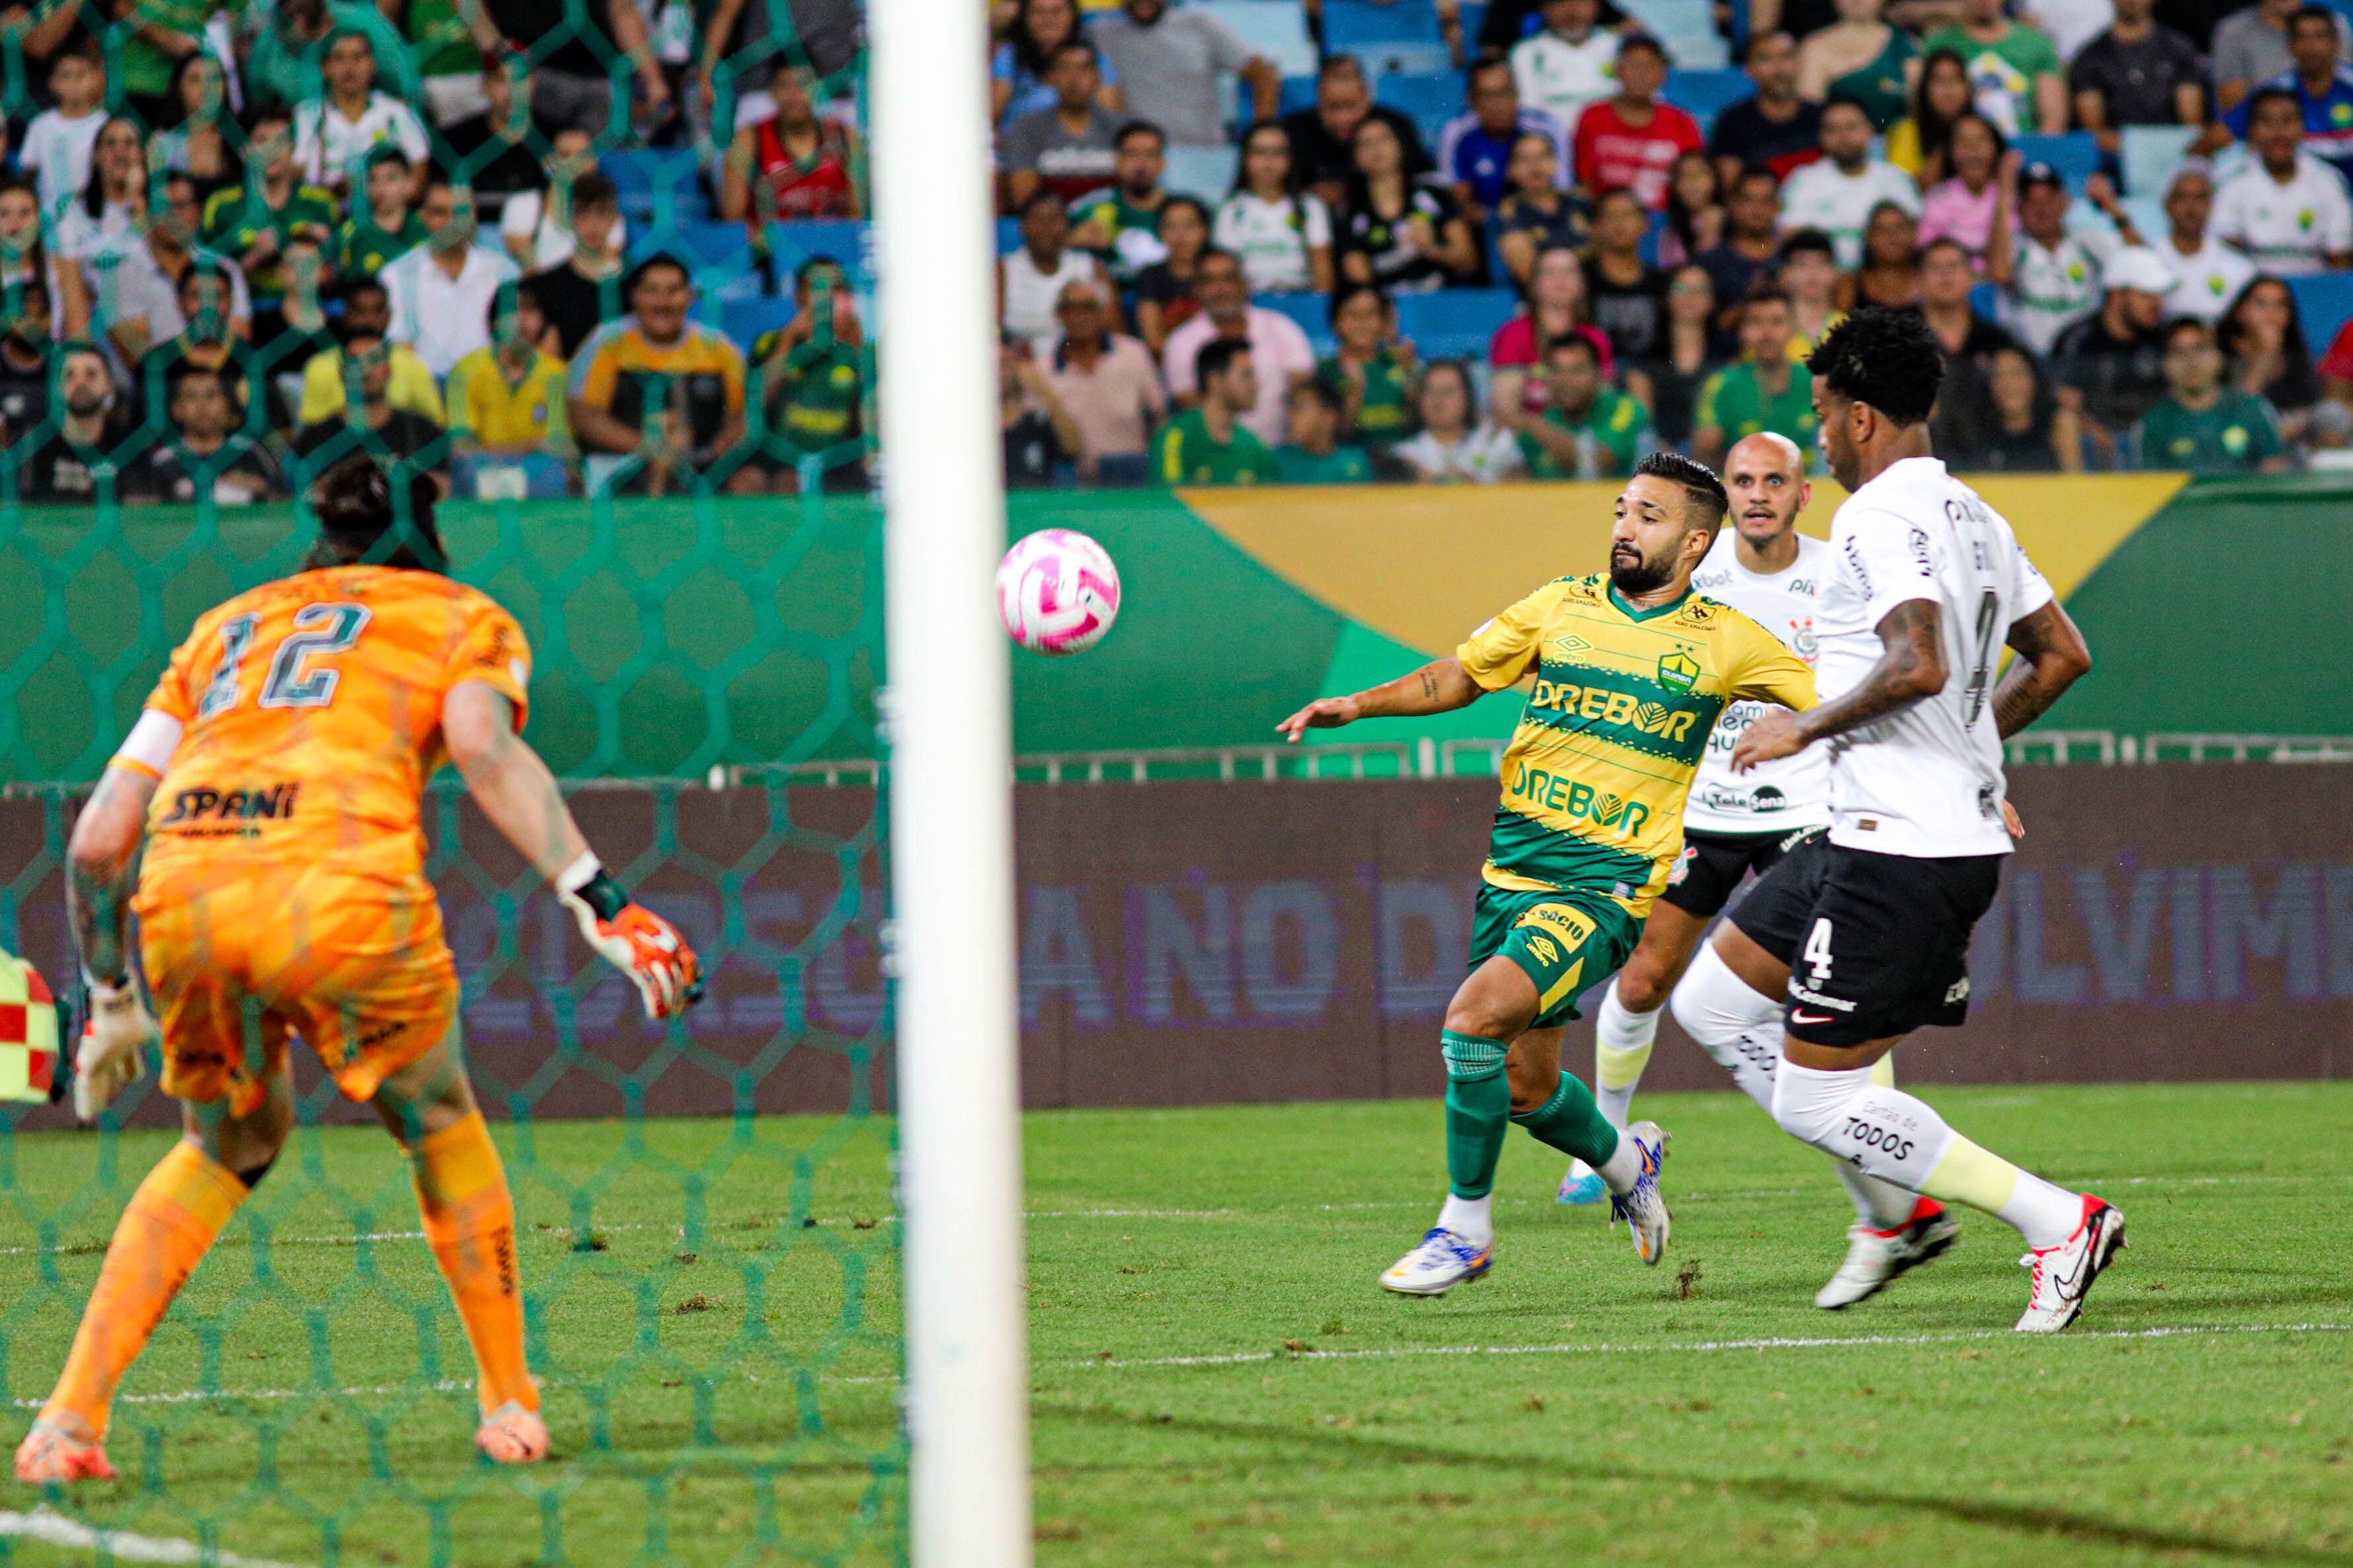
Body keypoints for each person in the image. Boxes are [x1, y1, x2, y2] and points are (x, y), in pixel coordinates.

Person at [15, 450, 703, 1485]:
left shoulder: (225, 628)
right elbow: (480, 743)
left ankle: (67, 1420)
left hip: (188, 887)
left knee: (226, 1139)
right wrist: (598, 896)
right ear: (430, 540)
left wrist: (107, 998)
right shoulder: (458, 616)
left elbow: (100, 836)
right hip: (338, 891)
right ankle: (509, 1403)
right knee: (439, 1122)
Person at [1670, 306, 2116, 1333]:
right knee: (1713, 1004)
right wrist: (1976, 752)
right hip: (1866, 830)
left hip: (1904, 849)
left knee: (1815, 1099)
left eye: (1823, 414)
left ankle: (2059, 1218)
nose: (1818, 436)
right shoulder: (1973, 513)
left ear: (1861, 416)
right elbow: (2060, 654)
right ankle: (1894, 1215)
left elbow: (1917, 660)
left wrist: (1803, 726)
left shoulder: (1875, 518)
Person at [1276, 452, 1816, 1297]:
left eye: (1647, 516)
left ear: (1694, 541)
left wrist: (1952, 779)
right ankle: (1623, 1158)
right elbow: (1459, 674)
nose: (1624, 529)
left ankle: (1464, 1230)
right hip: (1512, 872)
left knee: (1469, 1023)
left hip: (1603, 885)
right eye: (1620, 511)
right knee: (1523, 1085)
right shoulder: (1559, 605)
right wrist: (1358, 704)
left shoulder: (1727, 639)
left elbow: (1845, 703)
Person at [1559, 434, 1923, 1309]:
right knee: (1645, 975)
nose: (1757, 494)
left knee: (1833, 989)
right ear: (1724, 495)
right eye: (1742, 481)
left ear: (1805, 493)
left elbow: (1897, 672)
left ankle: (1876, 1156)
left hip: (1807, 806)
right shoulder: (1692, 564)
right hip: (1700, 808)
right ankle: (1606, 1140)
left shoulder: (1842, 569)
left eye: (1774, 481)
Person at [568, 255, 753, 497]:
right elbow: (584, 416)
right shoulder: (608, 343)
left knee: (750, 482)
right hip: (622, 466)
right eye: (652, 291)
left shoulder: (716, 347)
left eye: (673, 291)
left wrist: (722, 443)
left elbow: (745, 415)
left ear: (690, 296)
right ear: (635, 296)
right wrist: (649, 447)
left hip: (705, 468)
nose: (663, 302)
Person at [200, 107, 339, 348]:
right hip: (246, 310)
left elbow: (339, 274)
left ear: (294, 148)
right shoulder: (222, 205)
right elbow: (204, 282)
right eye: (262, 140)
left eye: (281, 141)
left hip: (309, 309)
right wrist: (253, 258)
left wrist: (321, 254)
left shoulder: (320, 203)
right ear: (245, 149)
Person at [383, 179, 523, 380]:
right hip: (424, 392)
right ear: (425, 217)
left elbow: (514, 346)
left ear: (474, 215)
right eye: (440, 212)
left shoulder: (505, 272)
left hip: (489, 389)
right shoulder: (396, 275)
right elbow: (399, 351)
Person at [1087, 0, 1276, 149]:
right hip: (1144, 160)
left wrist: (1260, 135)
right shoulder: (1103, 33)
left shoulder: (1200, 24)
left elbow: (1263, 74)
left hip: (1204, 152)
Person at [751, 256, 869, 494]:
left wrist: (856, 349)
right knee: (771, 480)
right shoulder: (771, 342)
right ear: (798, 297)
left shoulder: (862, 350)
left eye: (835, 290)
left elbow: (873, 415)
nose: (825, 298)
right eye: (816, 289)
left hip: (839, 455)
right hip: (779, 453)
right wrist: (789, 340)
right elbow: (754, 404)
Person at [2050, 245, 2175, 462]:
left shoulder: (2162, 338)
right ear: (2117, 295)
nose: (2157, 304)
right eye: (2147, 295)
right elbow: (2064, 402)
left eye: (2159, 296)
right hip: (2094, 448)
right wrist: (2100, 434)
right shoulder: (2080, 340)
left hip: (2156, 444)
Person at [2212, 86, 2353, 275]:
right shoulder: (2231, 183)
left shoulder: (2328, 182)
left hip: (2315, 289)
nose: (2278, 133)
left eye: (2287, 121)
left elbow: (2340, 258)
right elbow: (2226, 254)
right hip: (2252, 290)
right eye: (2267, 122)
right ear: (2251, 130)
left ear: (2303, 127)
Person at [2209, 6, 2353, 187]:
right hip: (2297, 204)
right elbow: (2211, 141)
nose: (2312, 47)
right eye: (2303, 38)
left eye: (2320, 37)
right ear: (2291, 46)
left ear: (2335, 42)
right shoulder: (2273, 95)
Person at [2131, 314, 2293, 472]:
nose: (2191, 361)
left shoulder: (2252, 409)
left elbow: (2275, 468)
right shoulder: (2153, 423)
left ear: (2219, 357)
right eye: (2179, 352)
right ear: (2165, 365)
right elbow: (2150, 485)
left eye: (2200, 349)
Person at [1336, 117, 1482, 292]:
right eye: (1366, 144)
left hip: (1442, 302)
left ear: (1401, 145)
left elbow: (1469, 260)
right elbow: (1360, 283)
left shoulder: (1433, 194)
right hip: (1389, 311)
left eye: (1384, 139)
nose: (1376, 148)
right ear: (1355, 158)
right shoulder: (1351, 215)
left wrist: (1431, 249)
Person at [1042, 279, 1166, 485]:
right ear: (1059, 315)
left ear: (1101, 313)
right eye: (1070, 309)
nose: (1079, 316)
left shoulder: (1133, 353)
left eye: (1087, 308)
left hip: (1131, 475)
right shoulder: (1044, 369)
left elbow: (1159, 414)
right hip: (1072, 482)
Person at [1776, 97, 1921, 270]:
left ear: (1870, 131)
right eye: (1833, 129)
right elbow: (1788, 234)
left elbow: (1915, 234)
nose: (1843, 137)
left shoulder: (1897, 179)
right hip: (1821, 279)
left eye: (1852, 127)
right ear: (1821, 136)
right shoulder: (1803, 180)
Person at [446, 282, 571, 481]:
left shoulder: (555, 373)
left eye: (530, 310)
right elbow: (461, 446)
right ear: (494, 321)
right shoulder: (466, 371)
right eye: (512, 311)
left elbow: (559, 446)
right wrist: (532, 445)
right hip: (482, 471)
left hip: (538, 473)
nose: (521, 319)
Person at [294, 331, 450, 487]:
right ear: (341, 374)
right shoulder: (314, 438)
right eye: (356, 361)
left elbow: (440, 489)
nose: (365, 369)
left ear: (389, 371)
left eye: (374, 360)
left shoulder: (423, 432)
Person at [1991, 161, 2116, 354]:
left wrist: (2113, 208)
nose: (2041, 210)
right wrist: (2003, 195)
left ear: (2065, 202)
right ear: (2018, 207)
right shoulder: (2014, 246)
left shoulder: (2088, 241)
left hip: (2088, 359)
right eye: (2031, 202)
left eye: (2049, 200)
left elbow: (2141, 265)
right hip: (2034, 361)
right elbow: (1999, 273)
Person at [1569, 34, 1702, 212]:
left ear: (1663, 74)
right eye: (1632, 65)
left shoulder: (1682, 122)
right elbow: (1584, 182)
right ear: (1617, 70)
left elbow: (1695, 180)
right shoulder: (1592, 117)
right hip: (1605, 220)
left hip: (1666, 225)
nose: (1641, 73)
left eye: (1649, 66)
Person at [1279, 54, 1432, 209]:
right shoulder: (1293, 131)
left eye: (1351, 106)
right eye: (1333, 107)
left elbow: (1429, 180)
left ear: (1367, 97)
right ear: (1319, 99)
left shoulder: (1396, 127)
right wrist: (1308, 194)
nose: (1343, 119)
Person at [292, 30, 431, 198]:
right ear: (325, 68)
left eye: (358, 57)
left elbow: (419, 178)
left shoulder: (397, 113)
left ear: (373, 65)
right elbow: (296, 178)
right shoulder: (305, 116)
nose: (349, 67)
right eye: (339, 58)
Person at [122, 368, 289, 506]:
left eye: (211, 395)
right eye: (191, 397)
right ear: (176, 410)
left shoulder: (252, 454)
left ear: (226, 405)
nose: (203, 406)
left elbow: (283, 503)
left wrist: (262, 489)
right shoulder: (162, 462)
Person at [299, 278, 449, 429]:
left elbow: (434, 424)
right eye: (360, 311)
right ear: (346, 314)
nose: (369, 320)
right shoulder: (320, 367)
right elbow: (313, 428)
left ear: (389, 315)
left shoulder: (412, 365)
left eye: (377, 311)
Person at [1691, 289, 1817, 466]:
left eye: (1777, 322)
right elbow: (1703, 457)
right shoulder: (1722, 385)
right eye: (1756, 323)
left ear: (1793, 328)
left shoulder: (1816, 383)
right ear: (1742, 331)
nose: (1767, 333)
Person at [1439, 58, 1568, 228]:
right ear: (1472, 100)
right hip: (1484, 228)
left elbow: (1563, 188)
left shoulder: (1546, 127)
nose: (1497, 104)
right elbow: (1457, 198)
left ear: (1517, 93)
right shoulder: (1457, 133)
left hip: (1544, 221)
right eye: (1486, 95)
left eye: (1504, 92)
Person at [1491, 242, 1615, 418]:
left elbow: (1604, 405)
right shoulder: (1512, 335)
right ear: (1534, 285)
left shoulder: (1596, 338)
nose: (1560, 279)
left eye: (1569, 272)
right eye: (1550, 272)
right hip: (1526, 437)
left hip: (1582, 435)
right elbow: (1506, 410)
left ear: (1582, 285)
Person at [2069, 0, 2205, 159]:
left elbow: (2192, 122)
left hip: (2174, 153)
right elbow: (2093, 129)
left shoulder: (2180, 50)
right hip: (2117, 158)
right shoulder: (2090, 58)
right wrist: (2141, 152)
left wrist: (2164, 150)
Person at [1000, 41, 1123, 209]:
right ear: (1050, 78)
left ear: (1098, 78)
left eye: (1084, 69)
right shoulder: (1026, 129)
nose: (1074, 79)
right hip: (1050, 229)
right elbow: (1025, 201)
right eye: (1064, 69)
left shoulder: (1123, 129)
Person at [1513, 334, 1656, 477]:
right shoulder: (1544, 420)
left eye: (1577, 371)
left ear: (1598, 374)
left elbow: (1600, 464)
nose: (1566, 381)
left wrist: (1535, 426)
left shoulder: (1625, 409)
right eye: (1557, 371)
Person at [1215, 122, 1334, 294]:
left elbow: (1323, 270)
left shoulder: (1311, 206)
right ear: (1245, 158)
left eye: (1278, 153)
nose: (1268, 161)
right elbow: (1226, 272)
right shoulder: (1230, 210)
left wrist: (1318, 307)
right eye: (1260, 152)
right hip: (1249, 304)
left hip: (1301, 299)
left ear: (1291, 159)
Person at [1922, 0, 2067, 136]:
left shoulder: (2037, 44)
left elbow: (2053, 121)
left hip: (2024, 151)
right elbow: (1928, 114)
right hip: (1959, 154)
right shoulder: (1938, 45)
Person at [521, 174, 626, 361]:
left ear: (615, 218)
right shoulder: (542, 286)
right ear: (567, 219)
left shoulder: (634, 286)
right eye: (582, 212)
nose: (593, 224)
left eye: (602, 212)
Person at [9, 345, 129, 505]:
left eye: (91, 374)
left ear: (109, 385)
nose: (80, 383)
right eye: (69, 375)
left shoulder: (127, 445)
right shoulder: (33, 446)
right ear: (57, 387)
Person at [500, 132, 633, 275]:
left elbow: (608, 260)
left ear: (594, 163)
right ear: (549, 163)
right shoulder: (523, 204)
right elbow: (525, 262)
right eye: (566, 155)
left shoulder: (606, 209)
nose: (575, 163)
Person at [1623, 264, 1721, 449]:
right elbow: (1644, 426)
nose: (1690, 297)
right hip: (1658, 463)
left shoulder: (1726, 359)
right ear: (1667, 298)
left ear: (1712, 301)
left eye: (1700, 290)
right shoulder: (1644, 360)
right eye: (1680, 289)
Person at [1153, 336, 1276, 483]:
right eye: (1246, 375)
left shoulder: (1254, 446)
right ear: (1215, 380)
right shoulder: (1175, 439)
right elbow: (1169, 500)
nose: (1255, 385)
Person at [1709, 32, 1824, 188]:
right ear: (1748, 69)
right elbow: (1732, 190)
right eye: (1766, 59)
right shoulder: (1732, 122)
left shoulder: (1823, 116)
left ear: (1799, 63)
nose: (1779, 68)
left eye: (1786, 57)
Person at [1317, 283, 1419, 452]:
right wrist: (1356, 390)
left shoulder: (1401, 364)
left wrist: (1411, 378)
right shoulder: (1325, 372)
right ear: (1335, 323)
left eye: (1370, 314)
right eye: (1352, 315)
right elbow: (1333, 439)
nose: (1362, 322)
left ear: (1383, 322)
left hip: (1402, 464)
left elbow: (1420, 429)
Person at [1942, 342, 2078, 469]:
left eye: (2017, 374)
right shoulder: (1972, 432)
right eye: (1999, 375)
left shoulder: (2058, 428)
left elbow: (2074, 485)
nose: (2009, 384)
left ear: (2034, 380)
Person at [2218, 274, 2319, 440]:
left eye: (2280, 305)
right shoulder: (2219, 354)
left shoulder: (2298, 359)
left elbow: (2307, 410)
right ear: (2240, 312)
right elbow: (2237, 412)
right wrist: (2266, 355)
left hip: (2289, 443)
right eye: (2261, 304)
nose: (2271, 313)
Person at [1070, 122, 1172, 283]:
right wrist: (1071, 241)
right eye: (1132, 154)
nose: (1141, 165)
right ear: (1117, 161)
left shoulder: (1182, 211)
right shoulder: (1089, 207)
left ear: (1163, 163)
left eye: (1150, 155)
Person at [994, 0, 1122, 128]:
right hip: (1019, 143)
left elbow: (1111, 118)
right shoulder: (1009, 57)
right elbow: (991, 115)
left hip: (1080, 145)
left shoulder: (1093, 57)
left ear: (1073, 15)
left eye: (1058, 11)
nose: (1048, 20)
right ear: (1024, 18)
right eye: (1039, 12)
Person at [2155, 161, 2256, 323]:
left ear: (2212, 205)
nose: (2191, 208)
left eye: (2200, 198)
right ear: (2167, 204)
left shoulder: (2239, 268)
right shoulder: (2150, 261)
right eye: (2182, 198)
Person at [1394, 358, 1524, 480]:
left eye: (1448, 391)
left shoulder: (1496, 441)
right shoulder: (1405, 454)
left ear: (1467, 397)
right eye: (1430, 391)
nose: (1438, 400)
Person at [1798, 0, 1918, 132]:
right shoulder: (1814, 47)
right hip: (1839, 148)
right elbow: (1809, 117)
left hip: (1899, 147)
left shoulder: (1907, 44)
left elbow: (1921, 109)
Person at [20, 38, 105, 222]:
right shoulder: (40, 124)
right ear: (53, 82)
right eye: (66, 75)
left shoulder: (106, 125)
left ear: (96, 79)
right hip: (47, 215)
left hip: (94, 215)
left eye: (81, 75)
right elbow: (29, 172)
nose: (74, 82)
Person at [1494, 132, 1593, 286]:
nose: (1536, 167)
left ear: (1555, 162)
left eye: (1543, 157)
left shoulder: (1580, 201)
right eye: (1525, 160)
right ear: (1511, 169)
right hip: (1544, 299)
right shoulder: (1507, 213)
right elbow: (1530, 278)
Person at [2212, 0, 2340, 116]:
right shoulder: (2233, 32)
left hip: (2335, 126)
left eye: (2319, 36)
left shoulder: (2335, 25)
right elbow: (2232, 108)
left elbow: (2345, 79)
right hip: (2262, 134)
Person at [1916, 114, 2009, 272]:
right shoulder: (1938, 197)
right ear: (1951, 152)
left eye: (1981, 140)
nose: (1972, 148)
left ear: (1996, 148)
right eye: (1962, 141)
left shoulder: (2011, 195)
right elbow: (1926, 254)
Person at [1584, 187, 1670, 360]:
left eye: (1628, 215)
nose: (1619, 224)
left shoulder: (1662, 282)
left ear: (1645, 224)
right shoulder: (1581, 278)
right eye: (1610, 216)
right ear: (1596, 226)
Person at [1695, 169, 1786, 329]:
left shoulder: (1791, 259)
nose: (1758, 210)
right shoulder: (1710, 262)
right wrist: (1751, 300)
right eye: (1749, 200)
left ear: (1778, 205)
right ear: (1733, 204)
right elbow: (1709, 328)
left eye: (1766, 201)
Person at [1512, 0, 1622, 130]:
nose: (1571, 10)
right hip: (1550, 142)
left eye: (1580, 1)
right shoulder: (1525, 53)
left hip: (1612, 142)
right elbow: (1529, 112)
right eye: (1560, 2)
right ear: (1544, 8)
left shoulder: (1618, 46)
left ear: (1596, 5)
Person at [1133, 195, 1211, 358]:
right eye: (1171, 227)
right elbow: (1154, 342)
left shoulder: (1217, 272)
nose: (1180, 237)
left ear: (1205, 230)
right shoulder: (1151, 276)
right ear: (1160, 232)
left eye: (1189, 226)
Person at [1000, 338, 1081, 488]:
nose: (998, 373)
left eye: (1003, 364)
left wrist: (1042, 391)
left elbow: (1073, 447)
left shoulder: (1036, 421)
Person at [1885, 49, 1975, 183]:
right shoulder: (1908, 130)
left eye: (1956, 79)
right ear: (1925, 88)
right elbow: (1902, 187)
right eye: (1939, 81)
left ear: (1968, 87)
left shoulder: (1981, 128)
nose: (1948, 89)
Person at [339, 148, 427, 285]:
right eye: (373, 179)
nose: (381, 187)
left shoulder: (427, 227)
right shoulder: (352, 234)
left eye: (391, 178)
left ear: (410, 183)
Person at [1273, 379, 1374, 482]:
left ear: (1329, 416)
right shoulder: (1278, 461)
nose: (1291, 417)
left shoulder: (1355, 462)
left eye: (1299, 409)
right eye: (1290, 409)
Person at [1840, 200, 1923, 309]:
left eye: (1899, 229)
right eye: (1882, 231)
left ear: (1913, 233)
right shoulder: (1851, 286)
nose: (1892, 238)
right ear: (1869, 237)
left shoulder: (1929, 282)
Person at [1777, 228, 1846, 357]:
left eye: (1821, 264)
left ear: (1835, 274)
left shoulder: (1849, 329)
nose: (1812, 272)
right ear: (1784, 275)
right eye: (1802, 264)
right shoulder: (1770, 331)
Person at [1657, 153, 1726, 270]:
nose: (1692, 182)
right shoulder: (1670, 233)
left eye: (1699, 173)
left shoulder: (1733, 221)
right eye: (1684, 175)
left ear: (1715, 180)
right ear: (1675, 186)